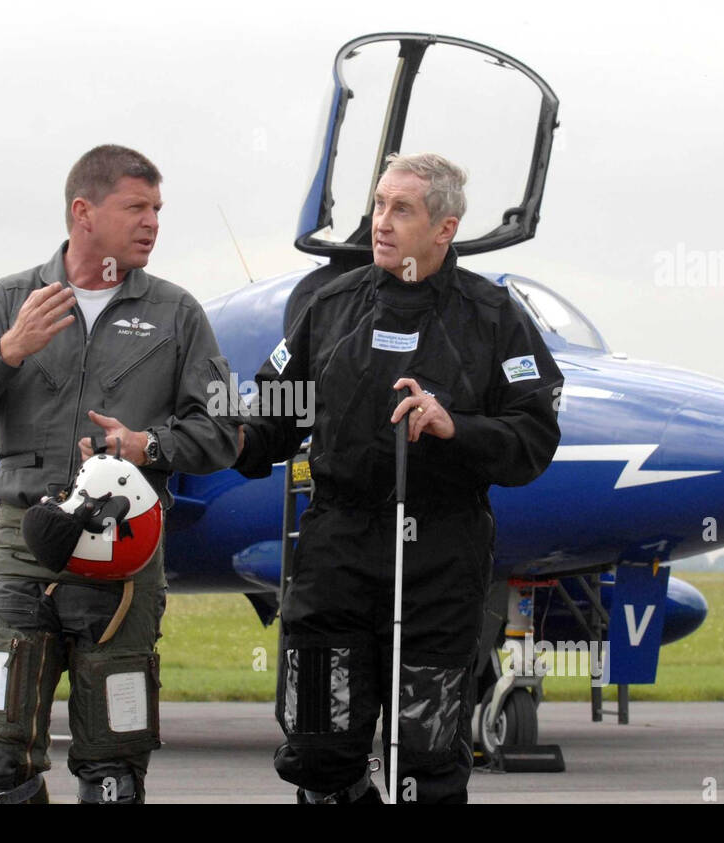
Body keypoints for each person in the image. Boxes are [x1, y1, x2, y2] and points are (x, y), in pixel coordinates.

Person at [232, 152, 564, 804]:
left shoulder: (495, 318)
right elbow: (269, 419)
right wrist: (192, 437)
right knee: (318, 751)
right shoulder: (329, 308)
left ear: (445, 227)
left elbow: (533, 440)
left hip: (439, 555)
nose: (380, 222)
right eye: (379, 204)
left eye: (401, 209)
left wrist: (455, 426)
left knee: (426, 758)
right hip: (335, 552)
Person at [0, 144, 237, 804]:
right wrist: (7, 353)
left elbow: (224, 432)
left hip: (123, 556)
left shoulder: (179, 316)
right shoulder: (8, 301)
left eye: (157, 209)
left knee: (115, 770)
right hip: (23, 546)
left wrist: (148, 445)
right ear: (82, 212)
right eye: (135, 208)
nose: (152, 222)